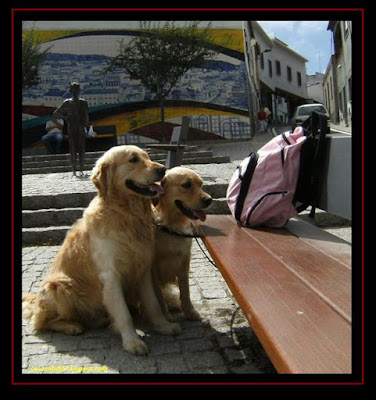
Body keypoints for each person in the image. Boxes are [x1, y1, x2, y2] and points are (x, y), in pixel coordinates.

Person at [53, 82, 90, 177]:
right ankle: (74, 169)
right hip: (72, 127)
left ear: (79, 91)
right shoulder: (67, 103)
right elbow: (56, 113)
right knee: (73, 148)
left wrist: (87, 126)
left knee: (81, 148)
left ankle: (81, 168)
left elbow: (86, 116)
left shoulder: (83, 103)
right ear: (70, 91)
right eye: (73, 89)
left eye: (76, 89)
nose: (75, 91)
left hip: (80, 127)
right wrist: (65, 117)